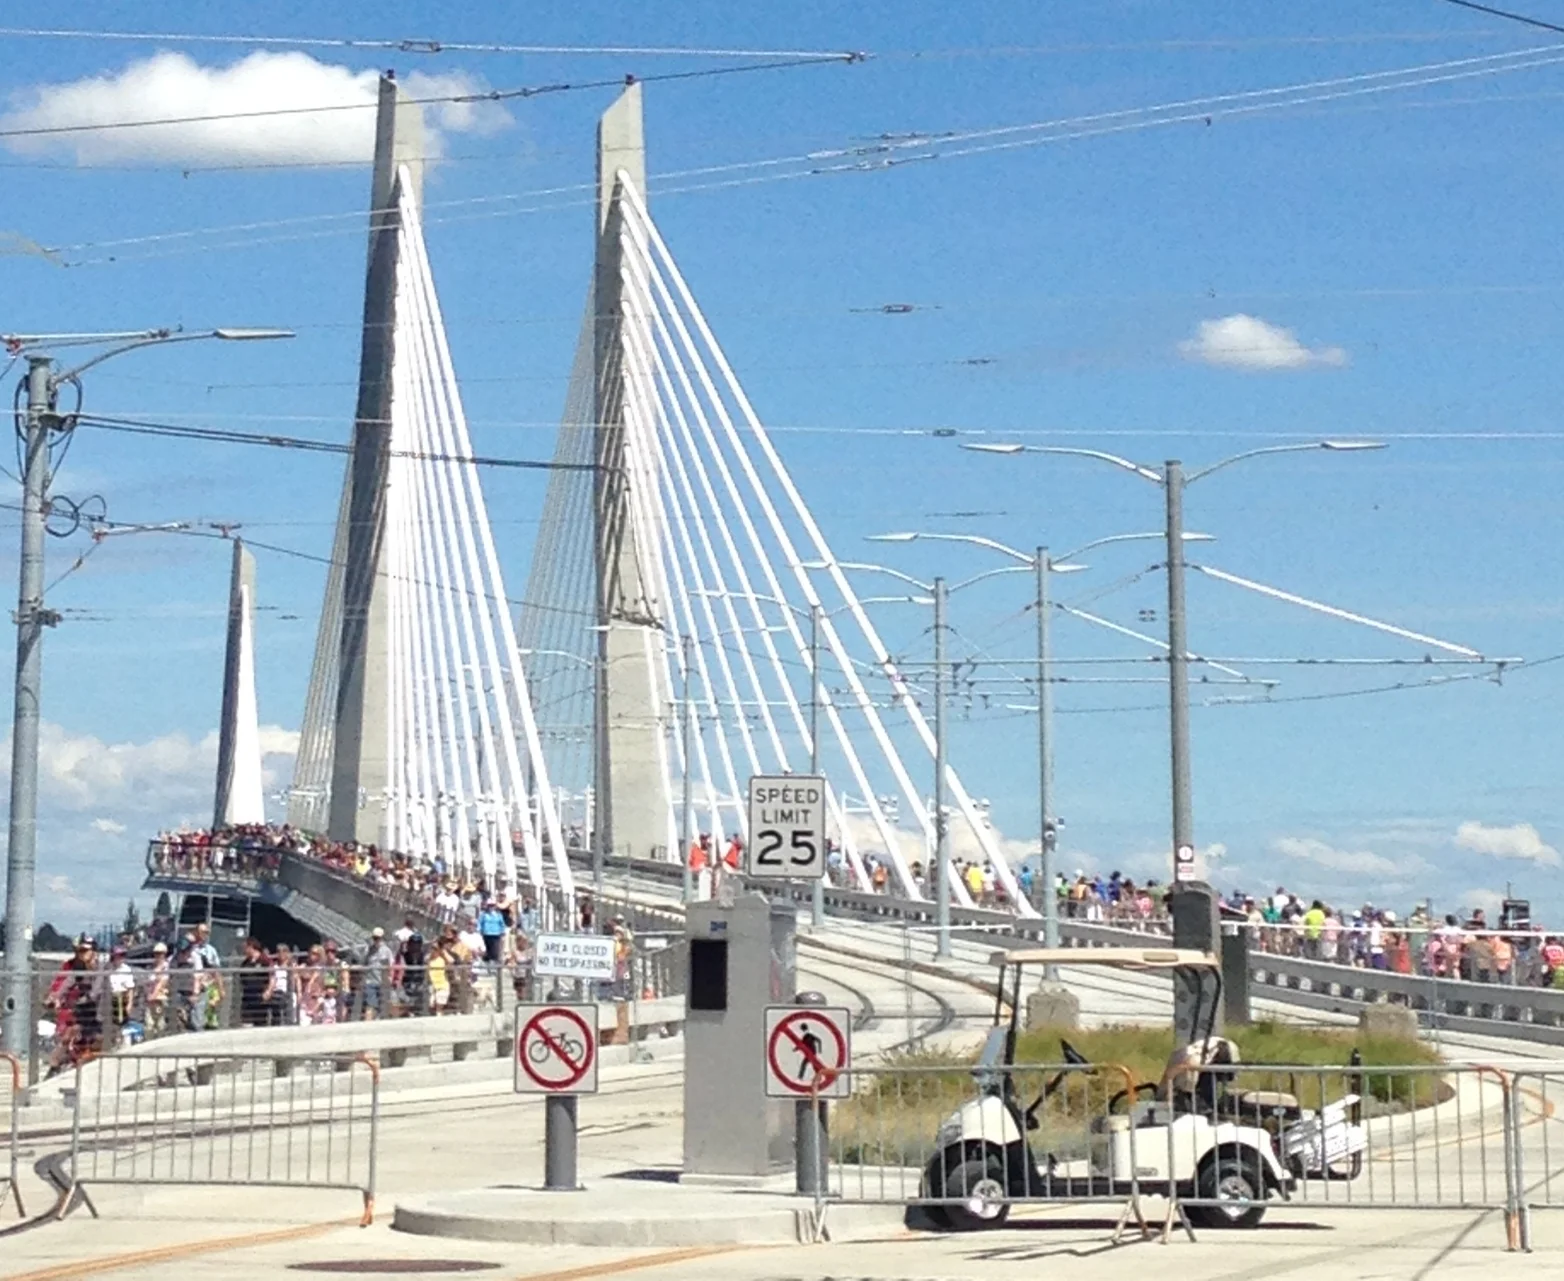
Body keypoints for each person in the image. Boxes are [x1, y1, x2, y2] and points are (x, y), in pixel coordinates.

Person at [238, 938, 271, 1027]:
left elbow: (272, 976)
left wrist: (268, 991)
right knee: (246, 1024)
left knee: (260, 1024)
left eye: (245, 948)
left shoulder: (264, 959)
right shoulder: (245, 963)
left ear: (251, 947)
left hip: (260, 996)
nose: (244, 950)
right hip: (247, 997)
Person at [363, 927, 393, 1019]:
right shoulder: (368, 950)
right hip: (370, 981)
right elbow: (364, 963)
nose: (376, 940)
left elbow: (391, 966)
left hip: (382, 982)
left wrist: (389, 979)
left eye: (378, 938)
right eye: (375, 938)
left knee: (383, 1007)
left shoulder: (387, 951)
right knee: (370, 1006)